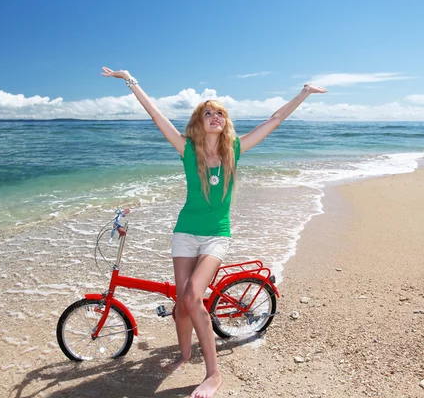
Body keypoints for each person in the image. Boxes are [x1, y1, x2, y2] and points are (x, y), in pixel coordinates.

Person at [102, 66, 327, 398]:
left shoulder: (234, 150)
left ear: (225, 121)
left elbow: (273, 120)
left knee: (192, 296)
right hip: (185, 233)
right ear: (199, 122)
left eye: (219, 113)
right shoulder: (187, 151)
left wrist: (304, 93)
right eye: (208, 113)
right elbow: (155, 114)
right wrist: (129, 80)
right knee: (182, 302)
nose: (215, 117)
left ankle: (213, 374)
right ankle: (183, 355)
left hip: (216, 235)